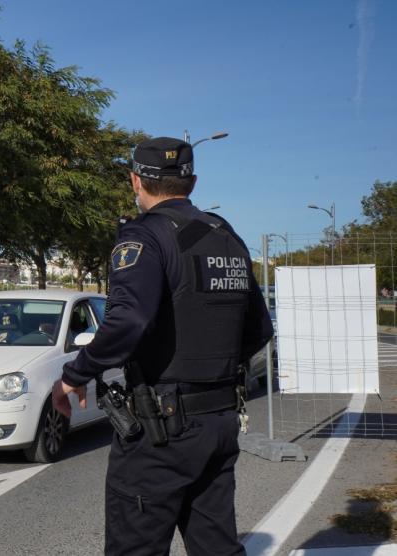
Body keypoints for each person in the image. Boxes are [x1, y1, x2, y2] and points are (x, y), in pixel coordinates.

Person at [54, 137, 273, 555]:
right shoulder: (226, 236)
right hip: (219, 421)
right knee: (216, 546)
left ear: (136, 180)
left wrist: (73, 375)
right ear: (191, 181)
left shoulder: (145, 238)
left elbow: (129, 320)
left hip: (161, 429)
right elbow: (259, 328)